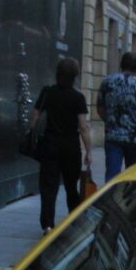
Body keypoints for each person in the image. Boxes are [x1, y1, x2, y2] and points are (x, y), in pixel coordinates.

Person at [32, 57, 91, 234]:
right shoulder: (78, 97)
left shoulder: (47, 92)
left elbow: (34, 117)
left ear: (58, 73)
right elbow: (82, 127)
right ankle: (73, 220)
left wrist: (34, 134)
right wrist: (88, 151)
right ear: (75, 76)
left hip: (49, 144)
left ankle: (48, 225)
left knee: (48, 186)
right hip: (70, 146)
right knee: (71, 185)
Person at [97, 52, 136, 181]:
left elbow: (100, 108)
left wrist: (111, 121)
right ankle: (129, 199)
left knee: (112, 175)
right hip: (134, 139)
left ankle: (109, 198)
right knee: (133, 176)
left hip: (113, 136)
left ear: (121, 64)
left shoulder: (107, 82)